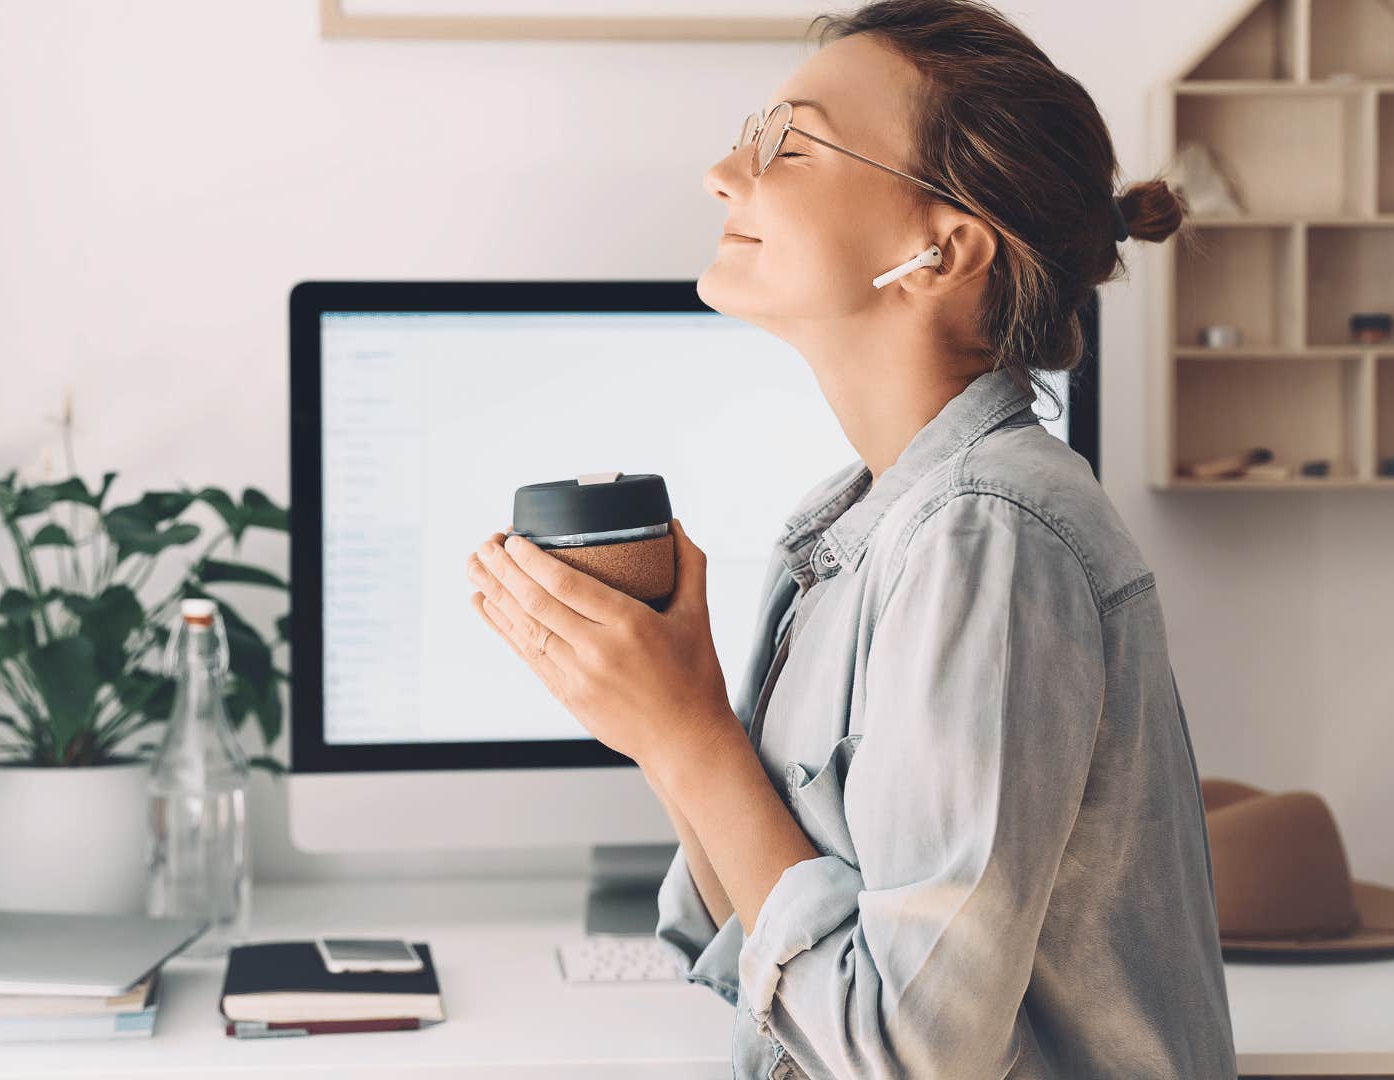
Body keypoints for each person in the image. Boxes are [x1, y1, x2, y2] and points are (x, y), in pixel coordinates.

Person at [464, 1, 1236, 1075]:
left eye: (790, 140)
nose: (724, 172)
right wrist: (665, 722)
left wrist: (691, 735)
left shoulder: (988, 539)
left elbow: (908, 1052)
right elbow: (763, 949)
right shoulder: (862, 527)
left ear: (940, 249)